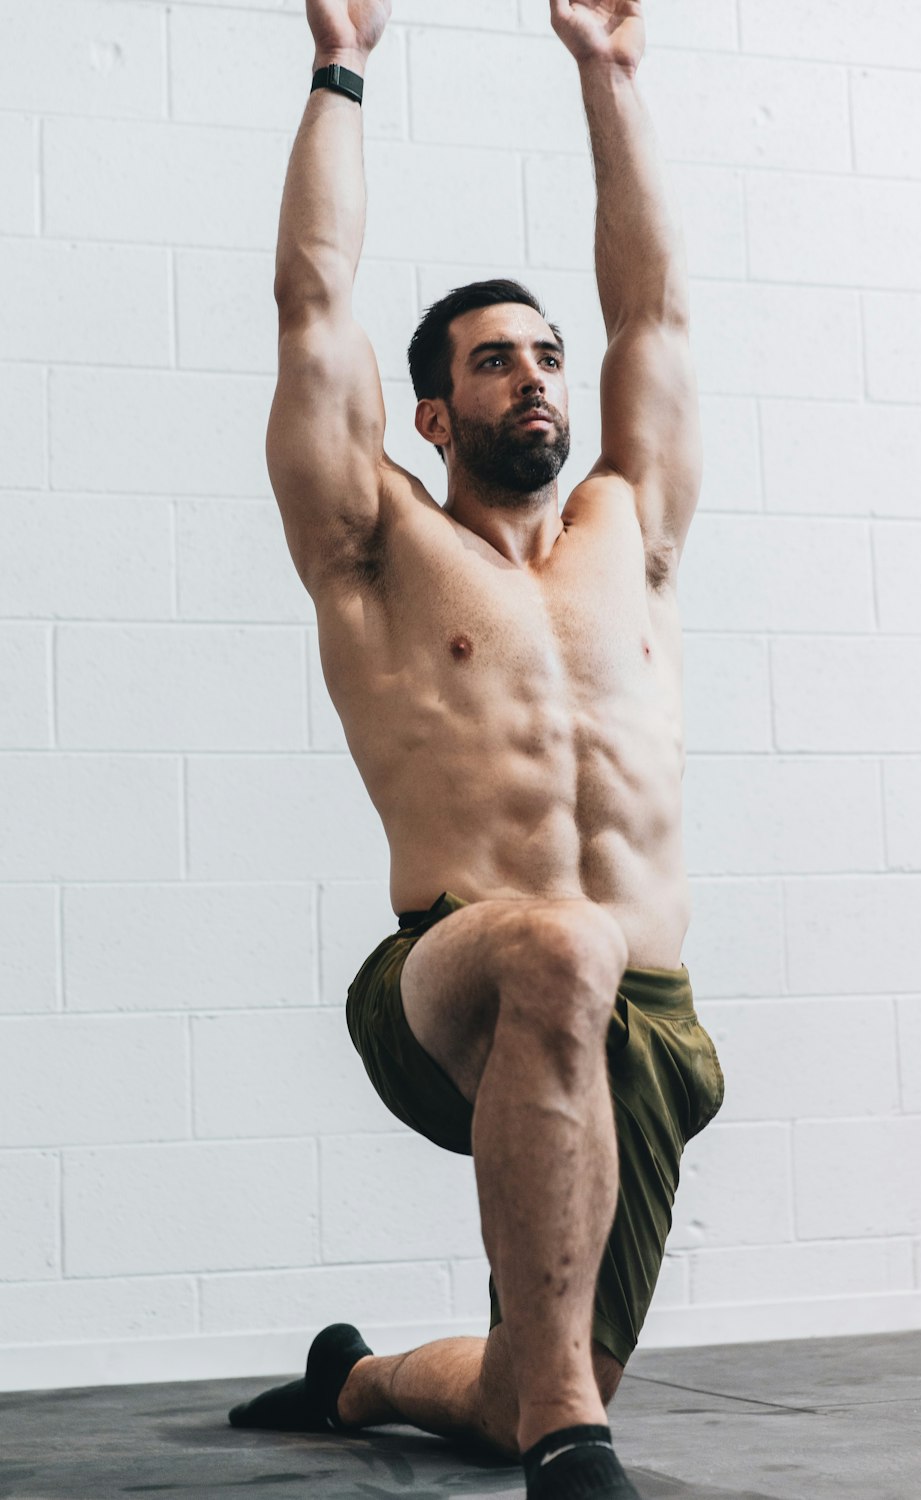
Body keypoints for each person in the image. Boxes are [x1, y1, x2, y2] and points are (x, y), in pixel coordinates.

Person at [228, 2, 725, 1496]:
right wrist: (343, 63)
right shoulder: (376, 541)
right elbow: (312, 306)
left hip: (651, 1018)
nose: (538, 378)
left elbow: (656, 321)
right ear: (434, 406)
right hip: (452, 973)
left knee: (520, 1384)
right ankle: (571, 1443)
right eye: (497, 361)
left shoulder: (629, 535)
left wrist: (611, 76)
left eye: (547, 357)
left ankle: (369, 1381)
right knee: (556, 943)